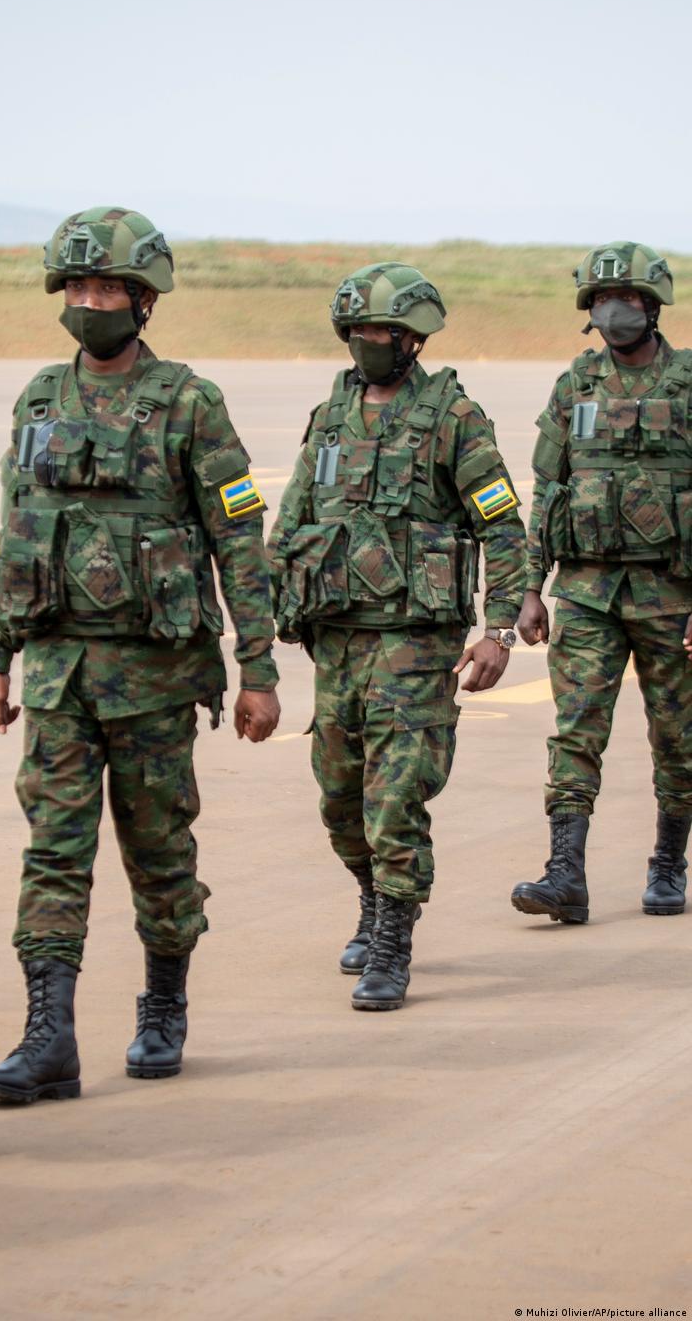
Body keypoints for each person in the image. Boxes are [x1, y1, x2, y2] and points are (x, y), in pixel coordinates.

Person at [0, 207, 281, 1100]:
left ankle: (162, 1006)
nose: (91, 302)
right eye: (79, 286)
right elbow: (17, 538)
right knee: (53, 853)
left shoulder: (189, 402)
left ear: (145, 300)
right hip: (58, 676)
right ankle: (49, 1036)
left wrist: (258, 670)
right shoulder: (39, 400)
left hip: (154, 678)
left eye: (109, 287)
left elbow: (238, 539)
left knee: (159, 852)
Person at [269, 263, 524, 1009]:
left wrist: (499, 629)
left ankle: (393, 940)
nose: (366, 342)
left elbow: (503, 528)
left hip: (414, 643)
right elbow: (292, 519)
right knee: (339, 800)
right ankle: (372, 897)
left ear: (413, 337)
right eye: (356, 330)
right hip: (337, 642)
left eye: (379, 330)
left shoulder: (454, 418)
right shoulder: (330, 416)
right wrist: (271, 609)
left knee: (396, 799)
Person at [511, 243, 692, 922]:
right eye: (603, 300)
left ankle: (668, 861)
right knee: (576, 733)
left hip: (674, 595)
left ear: (653, 305)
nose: (615, 310)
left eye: (628, 298)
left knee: (678, 739)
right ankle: (565, 875)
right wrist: (531, 588)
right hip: (587, 592)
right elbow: (548, 490)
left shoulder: (688, 383)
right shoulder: (576, 385)